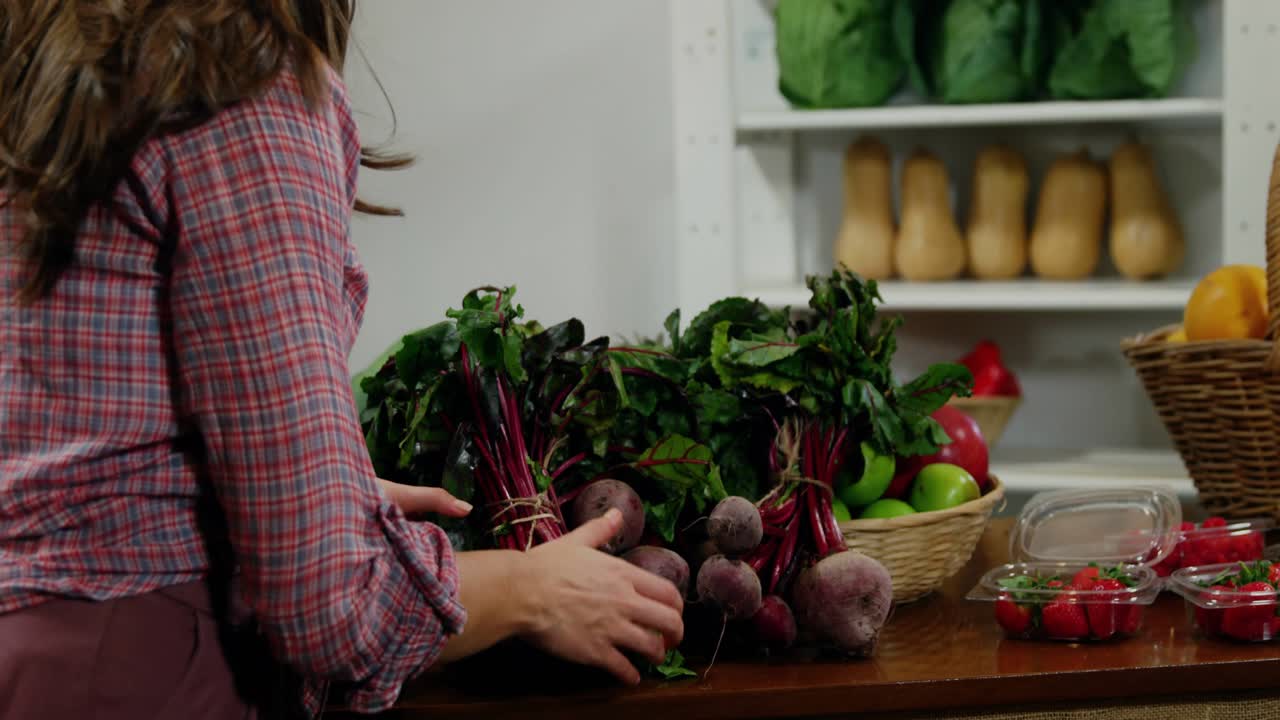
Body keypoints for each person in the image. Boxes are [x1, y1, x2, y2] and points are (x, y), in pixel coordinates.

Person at [0, 2, 683, 718]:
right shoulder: (231, 65)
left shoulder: (52, 40)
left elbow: (74, 429)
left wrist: (308, 495)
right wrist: (528, 589)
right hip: (143, 674)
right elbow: (326, 606)